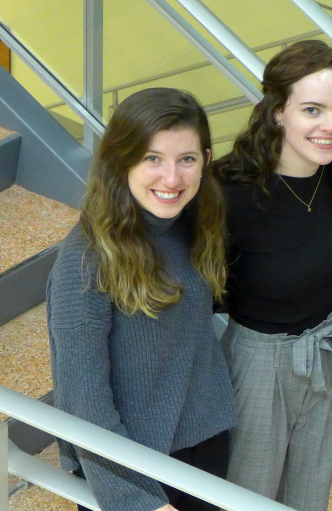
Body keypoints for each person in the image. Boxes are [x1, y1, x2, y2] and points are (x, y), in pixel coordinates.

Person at [47, 87, 235, 511]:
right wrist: (136, 500)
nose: (172, 178)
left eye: (186, 159)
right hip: (126, 464)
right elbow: (82, 399)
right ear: (121, 159)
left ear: (205, 160)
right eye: (153, 158)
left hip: (202, 447)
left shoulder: (195, 226)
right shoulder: (85, 260)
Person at [210, 40, 332, 511]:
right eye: (312, 109)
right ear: (277, 112)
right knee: (248, 497)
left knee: (309, 496)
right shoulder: (227, 192)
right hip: (260, 361)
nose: (329, 127)